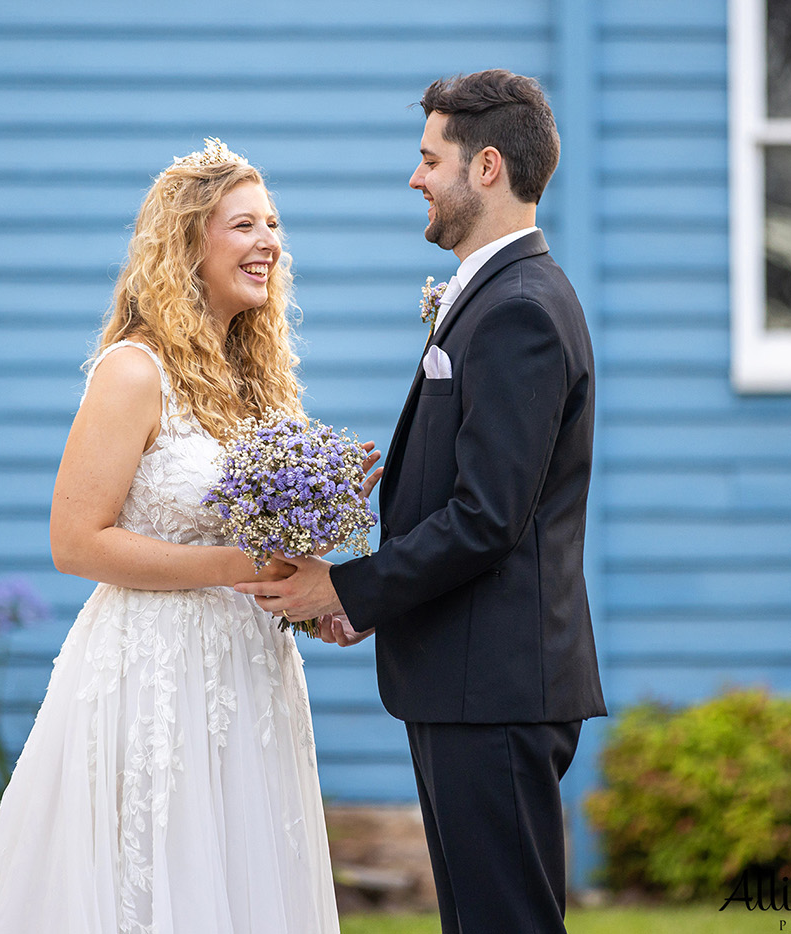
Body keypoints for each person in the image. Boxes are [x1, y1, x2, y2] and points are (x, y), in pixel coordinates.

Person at [0, 138, 340, 934]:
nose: (269, 243)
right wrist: (237, 564)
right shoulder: (133, 370)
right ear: (189, 242)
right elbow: (75, 541)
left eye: (274, 225)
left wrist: (307, 582)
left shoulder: (254, 379)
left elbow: (259, 542)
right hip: (154, 671)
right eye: (244, 226)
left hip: (249, 672)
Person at [236, 71, 608, 934]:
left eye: (427, 158)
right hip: (468, 678)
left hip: (495, 688)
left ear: (484, 168)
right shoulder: (493, 297)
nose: (415, 179)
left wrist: (349, 587)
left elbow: (487, 517)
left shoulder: (519, 309)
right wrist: (379, 603)